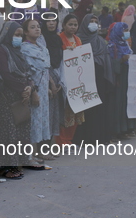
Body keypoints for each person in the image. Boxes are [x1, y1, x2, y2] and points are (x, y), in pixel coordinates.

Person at [0, 22, 33, 178]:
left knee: (20, 131)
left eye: (21, 35)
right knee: (6, 133)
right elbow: (6, 75)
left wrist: (29, 87)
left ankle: (17, 162)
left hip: (20, 96)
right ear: (8, 34)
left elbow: (27, 71)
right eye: (16, 34)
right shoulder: (0, 51)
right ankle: (4, 167)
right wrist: (23, 89)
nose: (18, 38)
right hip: (6, 98)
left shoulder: (18, 51)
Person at [75, 14, 115, 144]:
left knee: (99, 108)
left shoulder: (100, 41)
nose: (93, 24)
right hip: (83, 80)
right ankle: (84, 138)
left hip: (99, 79)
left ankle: (99, 137)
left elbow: (106, 60)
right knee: (86, 109)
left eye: (95, 21)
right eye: (90, 21)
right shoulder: (78, 40)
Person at [20, 19, 55, 166]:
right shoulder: (24, 48)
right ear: (26, 32)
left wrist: (48, 85)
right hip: (32, 89)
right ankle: (28, 156)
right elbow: (27, 72)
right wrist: (34, 90)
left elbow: (45, 69)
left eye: (38, 27)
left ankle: (38, 151)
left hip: (43, 88)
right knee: (32, 120)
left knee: (41, 120)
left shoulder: (42, 47)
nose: (37, 29)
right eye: (32, 27)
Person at [55, 14, 85, 146]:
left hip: (77, 79)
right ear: (64, 25)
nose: (73, 27)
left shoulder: (78, 39)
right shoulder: (59, 38)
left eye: (75, 25)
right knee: (64, 111)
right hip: (64, 79)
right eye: (70, 24)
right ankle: (61, 141)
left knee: (76, 111)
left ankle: (69, 139)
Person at [39, 18, 65, 156]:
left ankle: (48, 147)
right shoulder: (41, 39)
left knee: (54, 114)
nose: (51, 23)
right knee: (46, 115)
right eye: (48, 21)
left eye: (54, 21)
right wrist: (51, 83)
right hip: (45, 79)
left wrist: (60, 80)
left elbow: (60, 60)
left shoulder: (57, 39)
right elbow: (43, 62)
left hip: (57, 77)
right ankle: (41, 149)